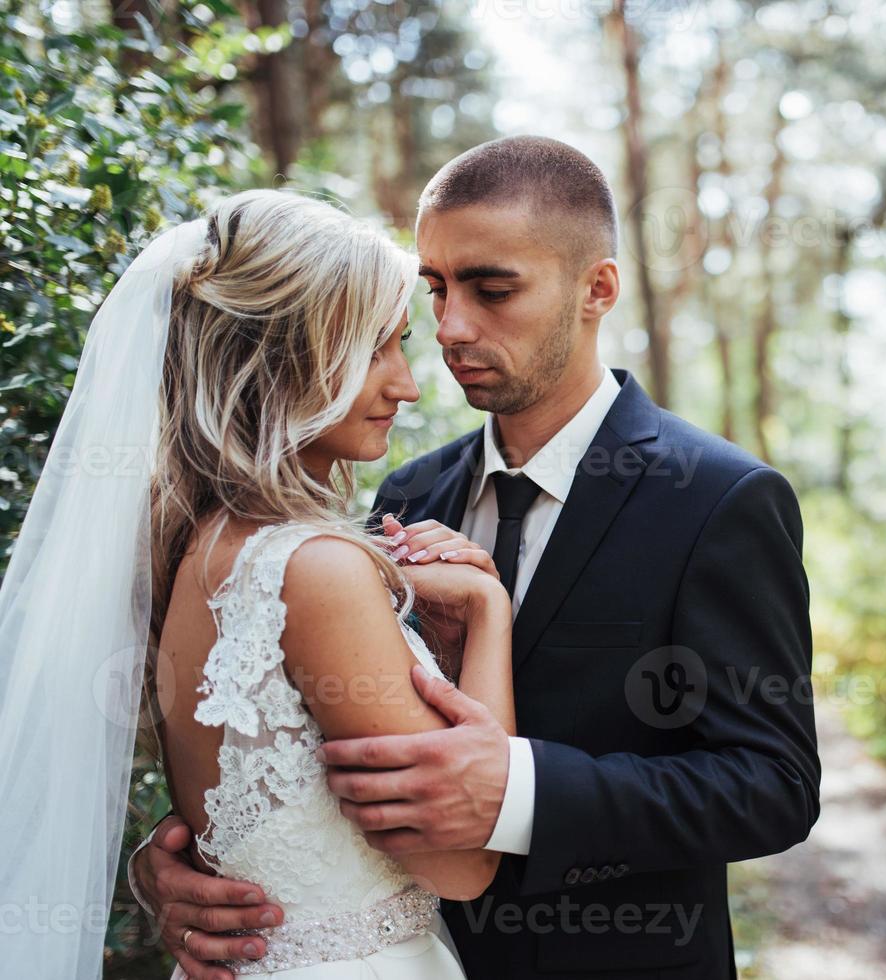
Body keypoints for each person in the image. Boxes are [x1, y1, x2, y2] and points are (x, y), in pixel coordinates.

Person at [132, 136, 822, 979]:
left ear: (595, 289)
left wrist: (519, 794)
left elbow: (770, 784)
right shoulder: (399, 498)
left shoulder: (717, 498)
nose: (451, 328)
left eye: (492, 288)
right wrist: (190, 861)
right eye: (436, 289)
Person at [0, 189, 514, 979]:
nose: (406, 385)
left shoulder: (192, 549)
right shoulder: (316, 567)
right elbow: (462, 863)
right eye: (375, 349)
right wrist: (487, 611)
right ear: (280, 357)